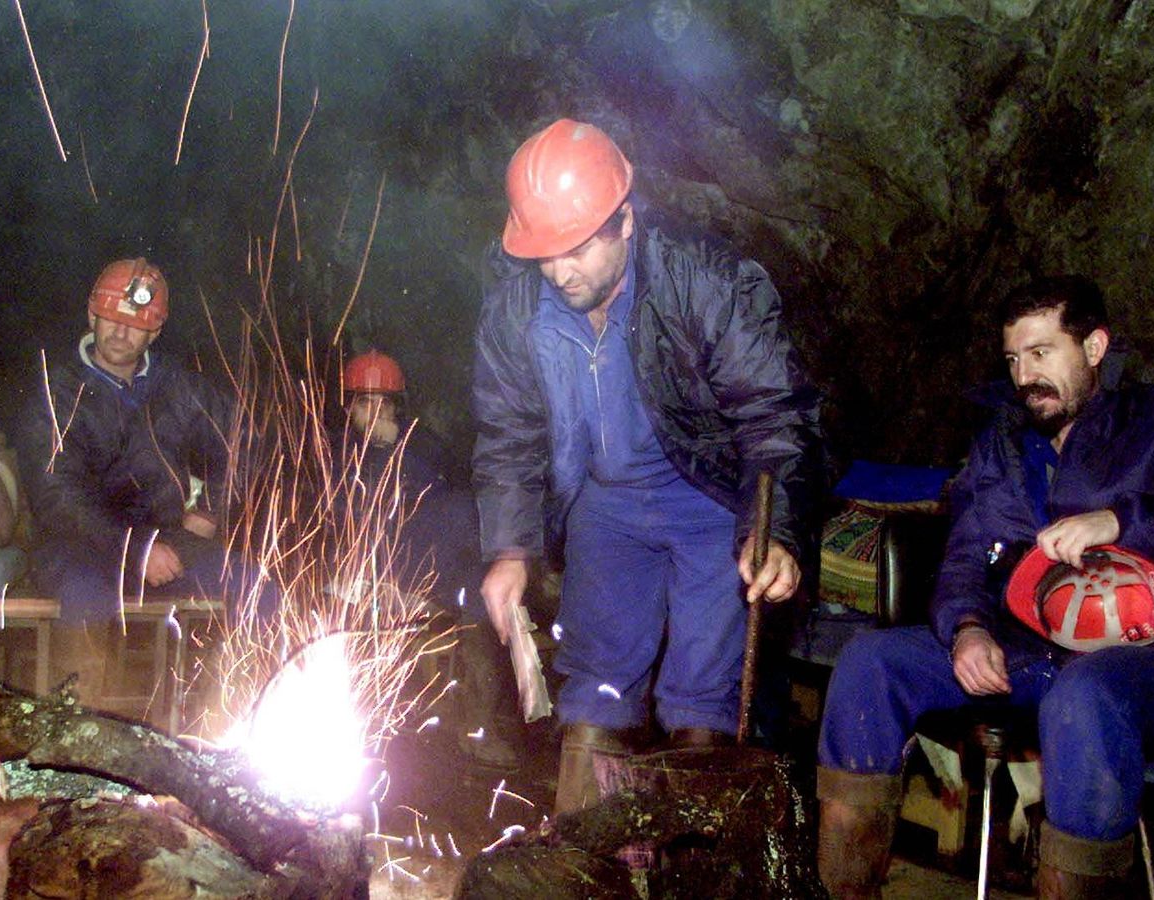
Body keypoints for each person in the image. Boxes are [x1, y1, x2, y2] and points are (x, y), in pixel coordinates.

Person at [814, 276, 1154, 898]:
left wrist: (1121, 522)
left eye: (1043, 352)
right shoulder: (1000, 444)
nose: (1025, 375)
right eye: (1013, 358)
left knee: (1084, 697)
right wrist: (968, 630)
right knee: (870, 661)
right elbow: (966, 557)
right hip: (1029, 651)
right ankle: (846, 889)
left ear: (1095, 347)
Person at [472, 118, 822, 813]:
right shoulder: (518, 308)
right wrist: (511, 548)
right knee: (596, 685)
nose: (558, 271)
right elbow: (508, 432)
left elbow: (774, 415)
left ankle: (690, 861)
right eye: (543, 253)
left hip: (709, 500)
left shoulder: (707, 281)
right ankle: (586, 861)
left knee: (702, 691)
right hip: (604, 505)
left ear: (624, 222)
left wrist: (773, 528)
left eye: (575, 249)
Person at [15, 257, 245, 705]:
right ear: (91, 316)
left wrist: (208, 513)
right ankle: (80, 750)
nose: (120, 333)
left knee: (255, 588)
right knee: (87, 612)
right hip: (82, 550)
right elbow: (56, 496)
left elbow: (240, 445)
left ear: (154, 333)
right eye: (111, 319)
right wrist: (134, 550)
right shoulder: (57, 392)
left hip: (170, 549)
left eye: (135, 324)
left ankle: (233, 732)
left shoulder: (177, 387)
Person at [337, 349, 524, 769]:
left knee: (474, 564)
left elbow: (449, 493)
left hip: (436, 565)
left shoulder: (420, 443)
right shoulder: (336, 448)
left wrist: (398, 453)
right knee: (460, 523)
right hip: (376, 563)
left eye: (383, 403)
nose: (374, 413)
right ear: (349, 407)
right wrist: (382, 457)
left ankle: (478, 723)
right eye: (365, 403)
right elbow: (351, 514)